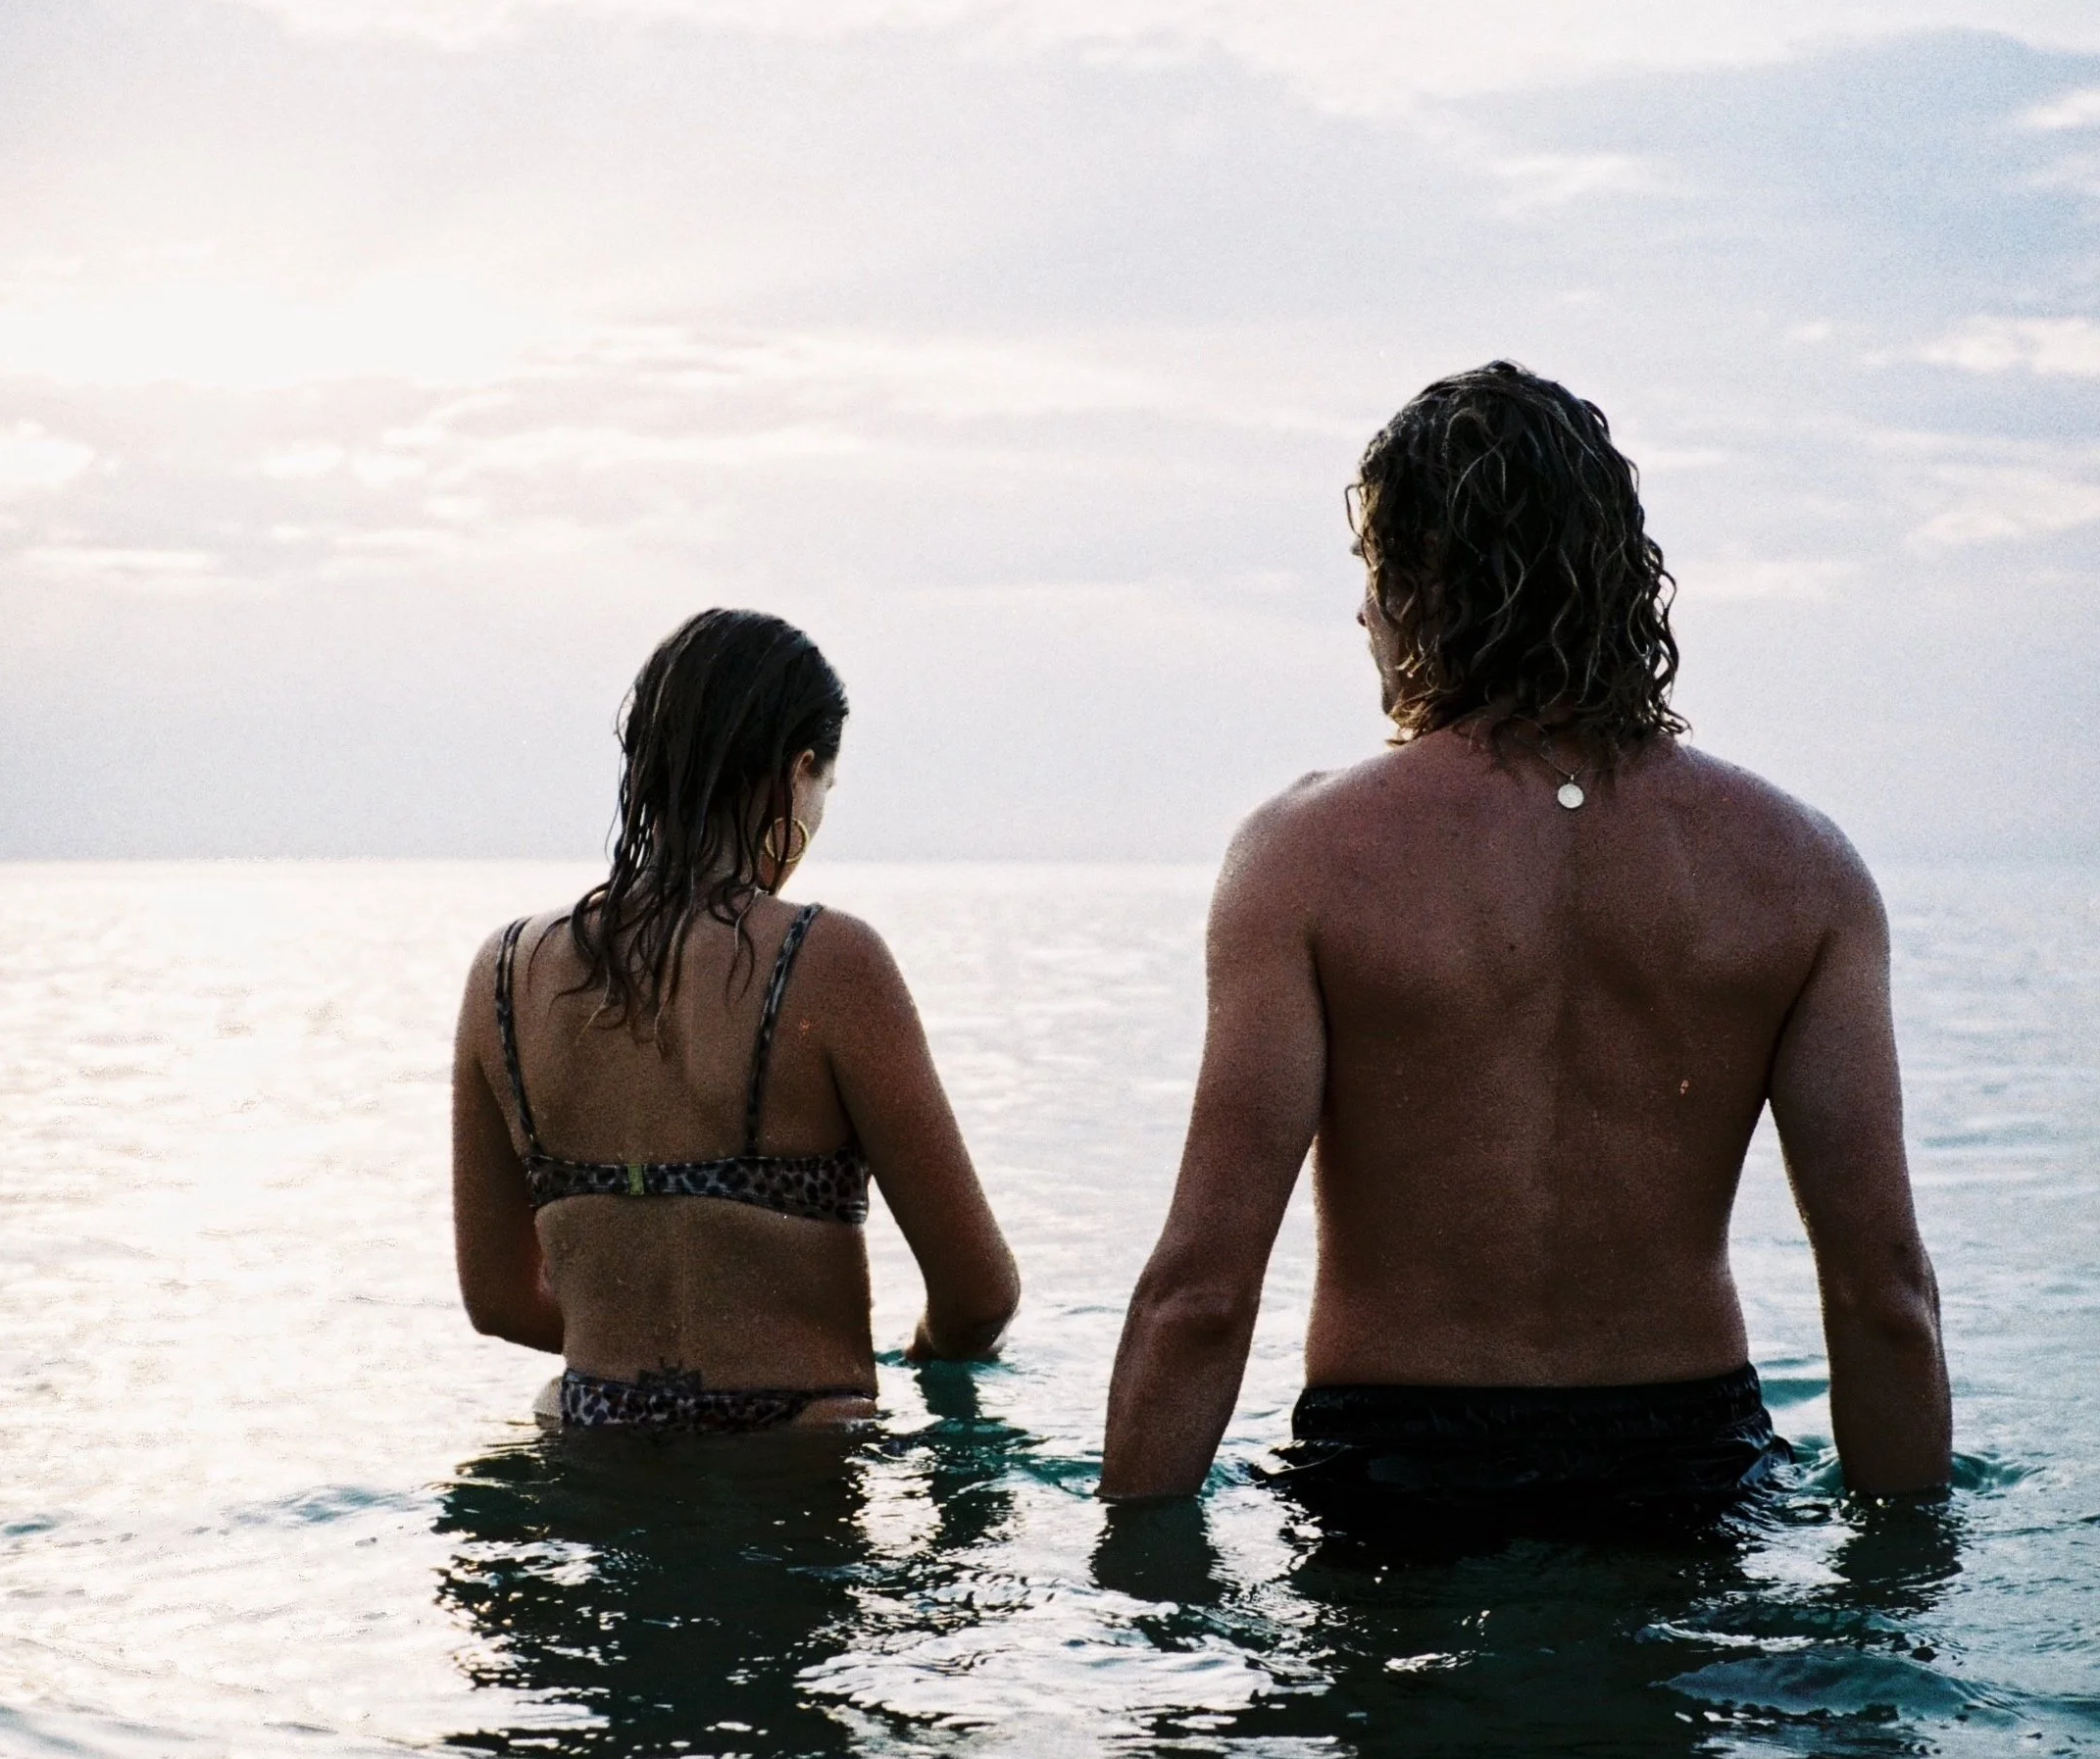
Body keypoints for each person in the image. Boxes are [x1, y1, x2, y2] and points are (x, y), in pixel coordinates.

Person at [1101, 362, 1950, 1517]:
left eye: (1372, 577)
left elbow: (1200, 1296)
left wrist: (1129, 1609)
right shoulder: (1805, 869)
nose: (1362, 615)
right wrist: (1901, 1601)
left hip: (1395, 1472)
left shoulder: (1303, 858)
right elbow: (1884, 1298)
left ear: (1424, 585)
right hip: (1691, 1468)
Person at [454, 608, 1019, 1434]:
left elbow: (499, 1302)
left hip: (594, 1451)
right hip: (797, 1471)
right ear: (799, 772)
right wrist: (926, 1354)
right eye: (827, 784)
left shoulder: (504, 972)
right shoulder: (830, 961)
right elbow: (979, 1295)